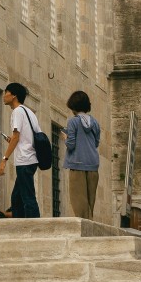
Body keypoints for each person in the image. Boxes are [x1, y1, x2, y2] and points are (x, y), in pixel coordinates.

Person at [0, 82, 41, 218]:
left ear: (14, 95)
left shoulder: (17, 112)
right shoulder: (29, 113)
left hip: (25, 159)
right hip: (31, 158)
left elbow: (16, 137)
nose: (4, 96)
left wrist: (4, 160)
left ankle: (36, 228)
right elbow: (23, 137)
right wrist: (14, 140)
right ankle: (20, 224)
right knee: (17, 197)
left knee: (27, 197)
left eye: (6, 92)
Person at [62, 90, 100, 220]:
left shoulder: (73, 122)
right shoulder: (95, 122)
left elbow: (71, 145)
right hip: (93, 165)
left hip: (77, 164)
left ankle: (84, 234)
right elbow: (96, 143)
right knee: (90, 203)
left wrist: (65, 137)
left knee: (78, 203)